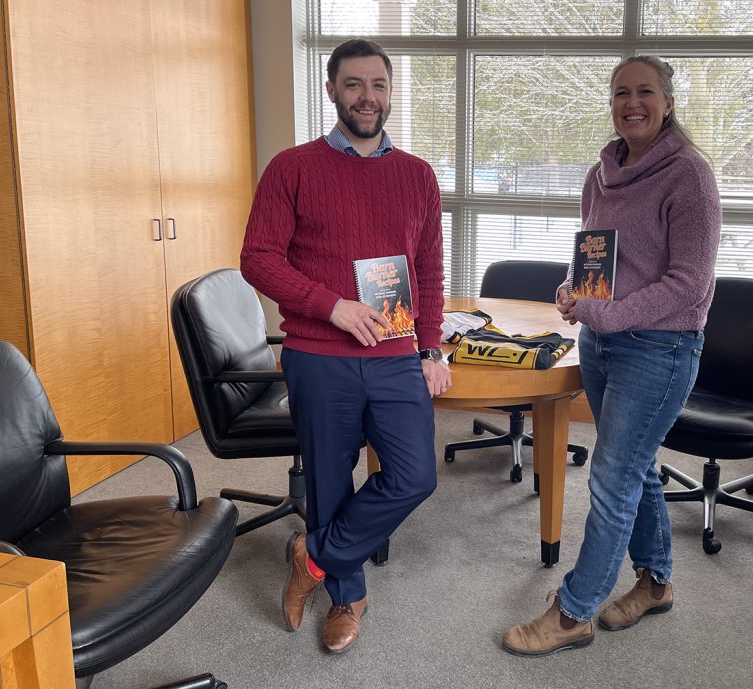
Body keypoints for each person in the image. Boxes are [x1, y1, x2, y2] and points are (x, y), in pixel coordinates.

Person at [502, 55, 721, 656]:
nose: (632, 103)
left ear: (668, 102)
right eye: (621, 92)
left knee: (611, 478)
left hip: (661, 348)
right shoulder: (601, 173)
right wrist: (574, 288)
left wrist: (609, 313)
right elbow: (596, 251)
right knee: (637, 468)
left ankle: (574, 611)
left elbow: (690, 284)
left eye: (645, 92)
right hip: (601, 343)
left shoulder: (690, 177)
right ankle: (656, 581)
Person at [240, 38, 450, 655]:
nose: (368, 97)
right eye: (354, 84)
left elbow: (430, 269)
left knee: (415, 476)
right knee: (330, 480)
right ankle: (346, 596)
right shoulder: (292, 167)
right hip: (318, 353)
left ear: (390, 93)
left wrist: (432, 348)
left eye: (378, 85)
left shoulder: (417, 175)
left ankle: (315, 558)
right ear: (331, 90)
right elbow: (258, 260)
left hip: (394, 354)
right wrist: (331, 305)